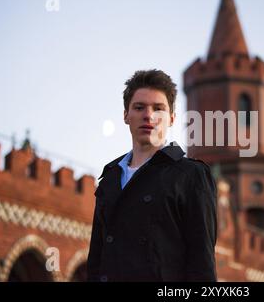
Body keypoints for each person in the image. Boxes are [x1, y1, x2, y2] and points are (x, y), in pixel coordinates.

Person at [87, 69, 217, 282]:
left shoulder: (191, 176)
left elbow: (202, 265)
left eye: (158, 108)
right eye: (139, 107)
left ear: (172, 118)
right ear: (126, 116)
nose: (148, 115)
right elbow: (96, 263)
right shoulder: (109, 179)